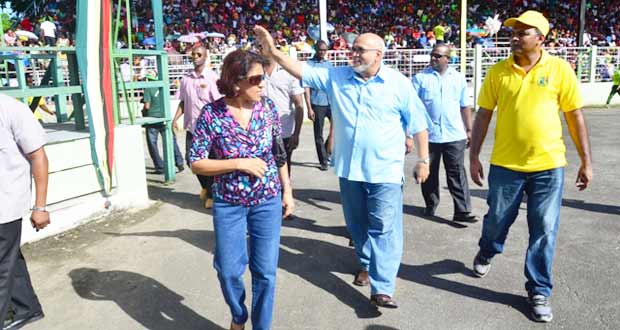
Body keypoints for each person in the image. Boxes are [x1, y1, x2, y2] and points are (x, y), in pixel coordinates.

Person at [254, 25, 430, 309]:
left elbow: (419, 124)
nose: (353, 53)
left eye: (360, 49)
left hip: (385, 170)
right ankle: (367, 263)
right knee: (357, 226)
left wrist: (424, 160)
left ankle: (383, 286)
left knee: (384, 227)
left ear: (379, 54)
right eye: (353, 48)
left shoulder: (398, 84)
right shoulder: (338, 77)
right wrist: (273, 51)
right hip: (350, 170)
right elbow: (300, 70)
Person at [469, 11, 593, 323]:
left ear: (541, 38)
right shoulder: (498, 72)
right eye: (513, 32)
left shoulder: (559, 69)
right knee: (497, 220)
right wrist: (473, 155)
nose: (514, 36)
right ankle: (487, 249)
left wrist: (585, 162)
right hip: (506, 165)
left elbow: (574, 116)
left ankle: (539, 289)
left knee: (544, 228)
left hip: (549, 166)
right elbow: (483, 114)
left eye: (523, 32)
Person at [189, 49, 294, 330]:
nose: (263, 84)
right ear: (236, 82)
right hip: (229, 203)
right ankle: (238, 316)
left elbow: (278, 153)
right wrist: (238, 163)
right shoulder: (212, 114)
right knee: (228, 271)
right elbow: (196, 162)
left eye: (264, 77)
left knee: (266, 272)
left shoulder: (268, 108)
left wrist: (287, 191)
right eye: (256, 79)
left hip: (267, 200)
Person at [0, 94, 50, 330]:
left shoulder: (12, 109)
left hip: (5, 207)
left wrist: (40, 207)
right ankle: (26, 307)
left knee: (2, 267)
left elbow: (38, 156)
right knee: (9, 260)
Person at [412, 44, 477, 222]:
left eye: (437, 56)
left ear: (447, 58)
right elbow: (413, 108)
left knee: (456, 172)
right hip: (429, 135)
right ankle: (431, 203)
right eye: (432, 55)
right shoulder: (420, 79)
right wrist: (409, 133)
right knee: (429, 173)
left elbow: (465, 106)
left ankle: (462, 211)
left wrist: (469, 129)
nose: (433, 58)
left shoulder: (458, 78)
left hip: (454, 134)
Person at [172, 44, 222, 209]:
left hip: (210, 129)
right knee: (191, 160)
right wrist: (175, 119)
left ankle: (212, 194)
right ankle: (207, 188)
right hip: (192, 128)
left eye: (199, 54)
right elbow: (183, 102)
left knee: (212, 162)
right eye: (193, 54)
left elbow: (219, 103)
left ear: (206, 56)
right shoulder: (186, 79)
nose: (195, 57)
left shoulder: (213, 78)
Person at [262, 54, 305, 177]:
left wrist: (296, 134)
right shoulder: (254, 72)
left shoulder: (288, 73)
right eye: (259, 46)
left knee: (284, 169)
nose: (262, 49)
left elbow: (299, 106)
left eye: (264, 46)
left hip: (284, 132)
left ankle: (284, 193)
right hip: (260, 132)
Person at [141, 70, 185, 175]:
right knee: (171, 141)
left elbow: (147, 106)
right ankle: (179, 162)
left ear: (148, 79)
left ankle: (160, 167)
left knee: (152, 144)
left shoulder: (148, 88)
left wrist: (144, 103)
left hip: (152, 119)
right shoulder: (162, 87)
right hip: (165, 117)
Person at [305, 40, 334, 171]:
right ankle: (323, 161)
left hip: (330, 101)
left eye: (324, 50)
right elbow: (306, 87)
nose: (322, 52)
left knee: (337, 128)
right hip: (317, 102)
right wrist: (309, 108)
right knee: (318, 134)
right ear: (316, 49)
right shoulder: (309, 65)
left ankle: (327, 152)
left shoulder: (329, 64)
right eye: (320, 50)